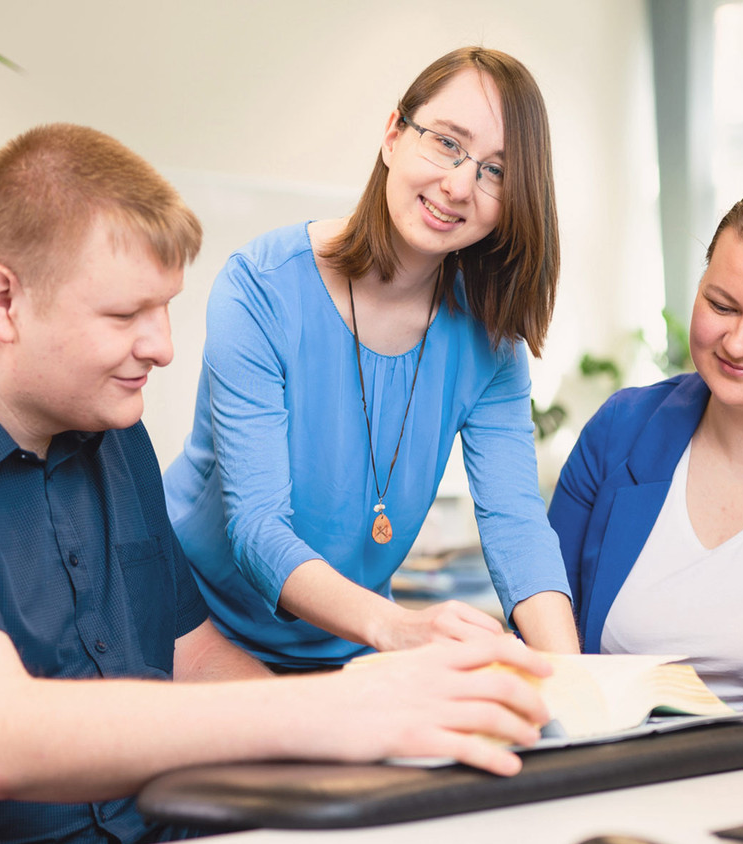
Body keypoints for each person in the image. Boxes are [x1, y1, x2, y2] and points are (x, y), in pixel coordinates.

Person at [0, 123, 557, 844]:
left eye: (165, 309)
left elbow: (194, 656)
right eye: (125, 315)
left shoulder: (109, 434)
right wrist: (339, 711)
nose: (163, 347)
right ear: (2, 300)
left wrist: (376, 756)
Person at [163, 47, 580, 671]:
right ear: (393, 136)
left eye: (496, 172)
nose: (460, 185)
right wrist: (398, 627)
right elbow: (255, 528)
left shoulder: (491, 340)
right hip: (195, 625)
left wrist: (571, 681)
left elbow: (517, 525)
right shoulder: (261, 287)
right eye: (446, 142)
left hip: (353, 647)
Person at [548, 172, 743, 746]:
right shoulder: (620, 432)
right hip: (603, 775)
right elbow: (535, 625)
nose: (738, 344)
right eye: (721, 304)